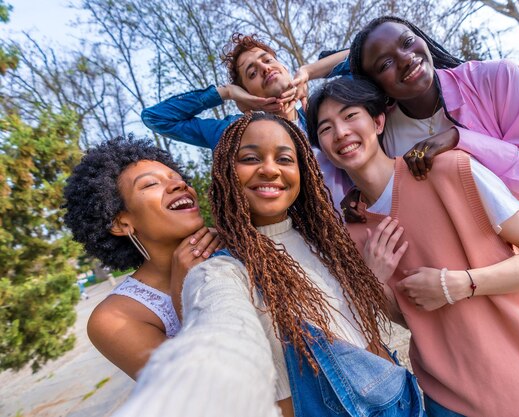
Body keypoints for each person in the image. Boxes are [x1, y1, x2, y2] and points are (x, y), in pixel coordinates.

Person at [306, 77, 519, 417]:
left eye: (351, 115)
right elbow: (410, 317)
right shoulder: (350, 230)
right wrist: (375, 280)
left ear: (378, 121)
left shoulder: (451, 170)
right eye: (326, 128)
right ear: (321, 146)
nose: (340, 132)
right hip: (453, 402)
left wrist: (459, 283)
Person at [111, 113, 424, 417]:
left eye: (286, 159)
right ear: (224, 172)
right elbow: (219, 324)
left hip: (403, 400)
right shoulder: (218, 269)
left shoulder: (327, 240)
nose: (270, 169)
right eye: (250, 158)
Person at [342, 16, 519, 295]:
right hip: (447, 282)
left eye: (407, 42)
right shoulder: (383, 132)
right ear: (373, 84)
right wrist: (364, 198)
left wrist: (459, 139)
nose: (405, 59)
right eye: (385, 64)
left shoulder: (499, 78)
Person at [63, 136, 220, 379]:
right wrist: (183, 291)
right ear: (121, 223)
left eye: (178, 179)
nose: (180, 185)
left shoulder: (235, 249)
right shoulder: (113, 319)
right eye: (149, 185)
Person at [141, 33, 352, 209]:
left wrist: (309, 71)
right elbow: (157, 118)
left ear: (285, 69)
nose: (264, 67)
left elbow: (367, 53)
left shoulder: (322, 112)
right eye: (252, 73)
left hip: (366, 227)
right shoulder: (235, 133)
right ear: (247, 97)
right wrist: (226, 93)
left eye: (268, 60)